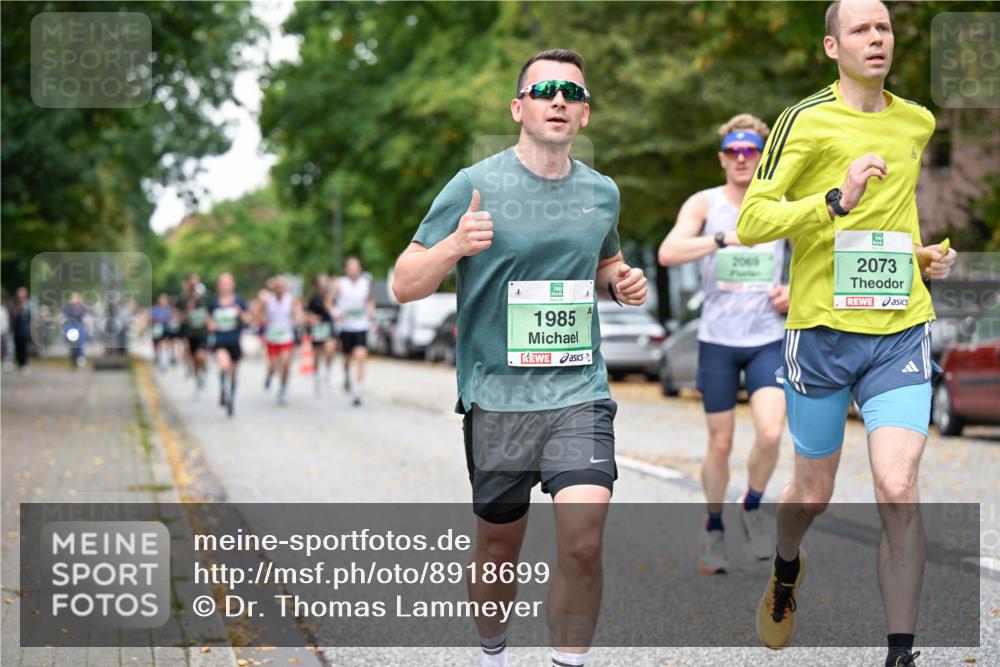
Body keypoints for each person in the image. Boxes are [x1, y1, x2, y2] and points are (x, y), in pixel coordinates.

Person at [392, 49, 646, 667]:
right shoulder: (473, 184)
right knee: (499, 546)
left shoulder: (602, 193)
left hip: (577, 394)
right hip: (499, 397)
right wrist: (454, 244)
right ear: (519, 108)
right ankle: (493, 654)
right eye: (545, 90)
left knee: (583, 544)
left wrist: (620, 280)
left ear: (584, 115)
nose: (558, 100)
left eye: (572, 93)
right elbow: (404, 283)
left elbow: (604, 259)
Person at [735, 2, 957, 664]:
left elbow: (898, 221)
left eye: (884, 27)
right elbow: (752, 221)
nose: (877, 38)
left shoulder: (916, 121)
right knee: (813, 493)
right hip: (823, 334)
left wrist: (924, 256)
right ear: (833, 46)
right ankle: (785, 564)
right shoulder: (802, 121)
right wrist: (835, 199)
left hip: (899, 329)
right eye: (861, 29)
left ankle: (900, 651)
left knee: (897, 485)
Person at [658, 114, 789, 574]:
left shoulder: (778, 203)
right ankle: (714, 526)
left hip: (767, 338)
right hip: (717, 340)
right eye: (733, 151)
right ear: (721, 158)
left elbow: (819, 255)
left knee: (772, 433)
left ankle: (751, 505)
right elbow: (668, 252)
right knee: (721, 443)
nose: (741, 158)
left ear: (762, 155)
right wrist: (720, 238)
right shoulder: (705, 203)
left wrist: (794, 290)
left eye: (750, 150)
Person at [254, 275, 301, 406]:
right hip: (272, 338)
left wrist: (296, 319)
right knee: (274, 366)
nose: (280, 289)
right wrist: (262, 319)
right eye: (278, 287)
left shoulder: (291, 300)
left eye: (282, 287)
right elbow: (257, 314)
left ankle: (282, 389)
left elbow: (298, 313)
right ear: (274, 288)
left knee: (286, 363)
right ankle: (269, 375)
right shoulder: (267, 300)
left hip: (286, 337)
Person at [333, 258, 374, 406]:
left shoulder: (365, 283)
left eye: (356, 266)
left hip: (361, 326)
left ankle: (358, 391)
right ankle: (346, 376)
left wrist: (370, 311)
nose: (353, 269)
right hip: (345, 326)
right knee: (347, 358)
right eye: (350, 266)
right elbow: (331, 301)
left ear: (360, 268)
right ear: (346, 269)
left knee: (361, 356)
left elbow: (369, 301)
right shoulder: (339, 283)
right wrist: (335, 312)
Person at [207, 273, 250, 417]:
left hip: (235, 341)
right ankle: (223, 390)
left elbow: (247, 320)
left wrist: (240, 313)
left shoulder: (239, 301)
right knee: (224, 365)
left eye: (227, 283)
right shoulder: (214, 303)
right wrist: (211, 325)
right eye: (222, 283)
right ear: (219, 286)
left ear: (233, 285)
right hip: (220, 341)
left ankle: (231, 398)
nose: (225, 286)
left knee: (233, 372)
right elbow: (209, 320)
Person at [306, 274, 336, 395]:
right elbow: (307, 313)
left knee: (330, 350)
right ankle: (316, 377)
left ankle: (327, 373)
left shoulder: (332, 297)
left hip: (328, 327)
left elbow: (333, 308)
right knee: (317, 355)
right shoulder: (314, 298)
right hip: (317, 328)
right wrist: (312, 318)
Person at [180, 274, 211, 391]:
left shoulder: (205, 297)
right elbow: (180, 316)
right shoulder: (184, 298)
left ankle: (203, 367)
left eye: (196, 282)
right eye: (192, 283)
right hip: (190, 334)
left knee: (201, 356)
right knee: (194, 359)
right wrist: (188, 309)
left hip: (203, 333)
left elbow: (210, 312)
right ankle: (198, 376)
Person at [150, 294, 173, 371]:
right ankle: (157, 356)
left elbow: (170, 318)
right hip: (156, 329)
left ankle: (165, 358)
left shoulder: (168, 309)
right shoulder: (154, 309)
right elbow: (151, 318)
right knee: (156, 344)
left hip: (165, 329)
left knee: (164, 344)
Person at [12, 286, 32, 375]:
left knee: (24, 348)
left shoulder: (28, 304)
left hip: (25, 331)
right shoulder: (15, 304)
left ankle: (24, 365)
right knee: (17, 348)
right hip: (16, 330)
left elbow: (31, 318)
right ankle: (20, 365)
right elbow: (13, 316)